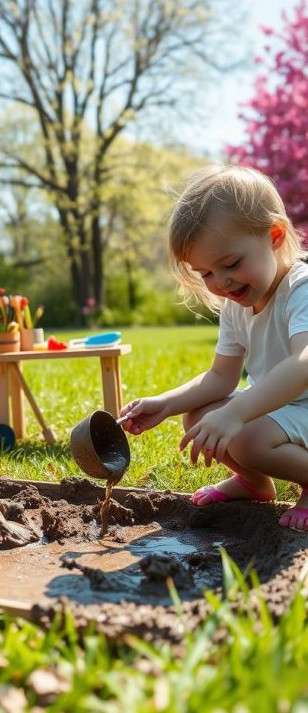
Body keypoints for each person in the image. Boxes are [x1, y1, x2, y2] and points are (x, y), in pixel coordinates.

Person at [119, 164, 308, 532]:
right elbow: (221, 377)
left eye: (231, 264)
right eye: (205, 273)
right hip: (281, 409)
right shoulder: (236, 303)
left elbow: (303, 364)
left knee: (248, 439)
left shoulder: (300, 288)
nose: (220, 282)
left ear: (274, 234)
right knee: (199, 415)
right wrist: (167, 404)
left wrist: (237, 413)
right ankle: (255, 483)